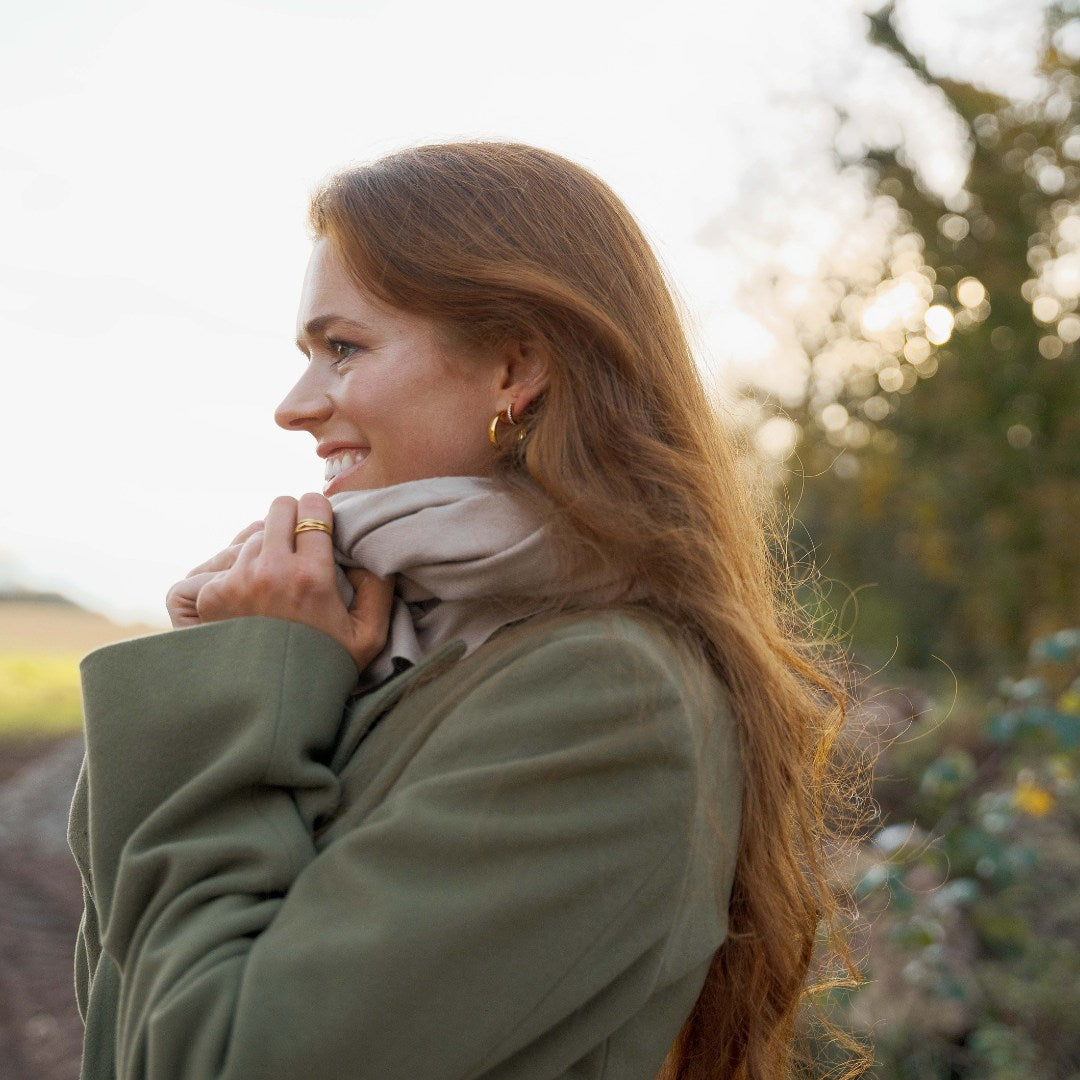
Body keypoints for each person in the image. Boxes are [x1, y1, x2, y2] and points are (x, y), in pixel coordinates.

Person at [68, 142, 859, 1080]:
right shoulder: (385, 649)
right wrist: (246, 672)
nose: (293, 406)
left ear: (514, 368)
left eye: (343, 348)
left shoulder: (607, 699)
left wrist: (231, 707)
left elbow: (213, 1058)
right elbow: (128, 1014)